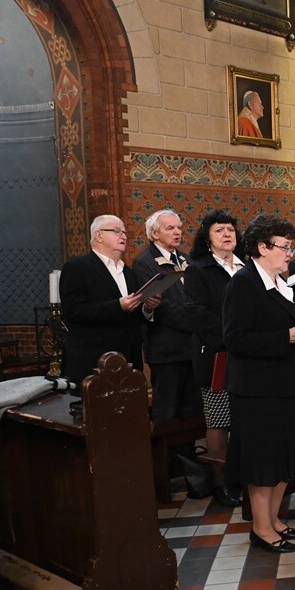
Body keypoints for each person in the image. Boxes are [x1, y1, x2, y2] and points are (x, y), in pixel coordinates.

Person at [222, 214, 295, 553]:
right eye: (284, 247)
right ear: (262, 248)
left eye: (291, 247)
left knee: (285, 458)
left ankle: (275, 519)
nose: (289, 254)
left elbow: (290, 321)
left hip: (287, 384)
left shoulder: (280, 282)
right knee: (263, 461)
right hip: (258, 390)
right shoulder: (244, 283)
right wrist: (286, 337)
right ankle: (261, 528)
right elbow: (235, 339)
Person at [184, 210, 245, 507]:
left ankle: (243, 475)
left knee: (244, 417)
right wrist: (230, 337)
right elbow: (196, 312)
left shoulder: (246, 265)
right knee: (219, 418)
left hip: (247, 353)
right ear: (207, 238)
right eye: (219, 230)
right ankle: (222, 482)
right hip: (216, 352)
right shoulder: (199, 268)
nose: (227, 234)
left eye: (230, 229)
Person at [60, 215, 160, 385]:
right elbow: (73, 311)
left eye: (124, 232)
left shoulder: (129, 272)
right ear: (99, 235)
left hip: (128, 361)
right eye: (116, 231)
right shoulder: (77, 267)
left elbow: (134, 318)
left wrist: (147, 309)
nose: (124, 236)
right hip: (93, 360)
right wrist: (117, 306)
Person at [133, 209, 199, 424]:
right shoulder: (144, 262)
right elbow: (159, 306)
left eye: (179, 227)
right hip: (166, 349)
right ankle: (165, 448)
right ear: (155, 234)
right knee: (167, 410)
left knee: (191, 410)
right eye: (170, 228)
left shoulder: (187, 259)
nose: (178, 232)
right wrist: (196, 323)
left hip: (191, 348)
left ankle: (188, 447)